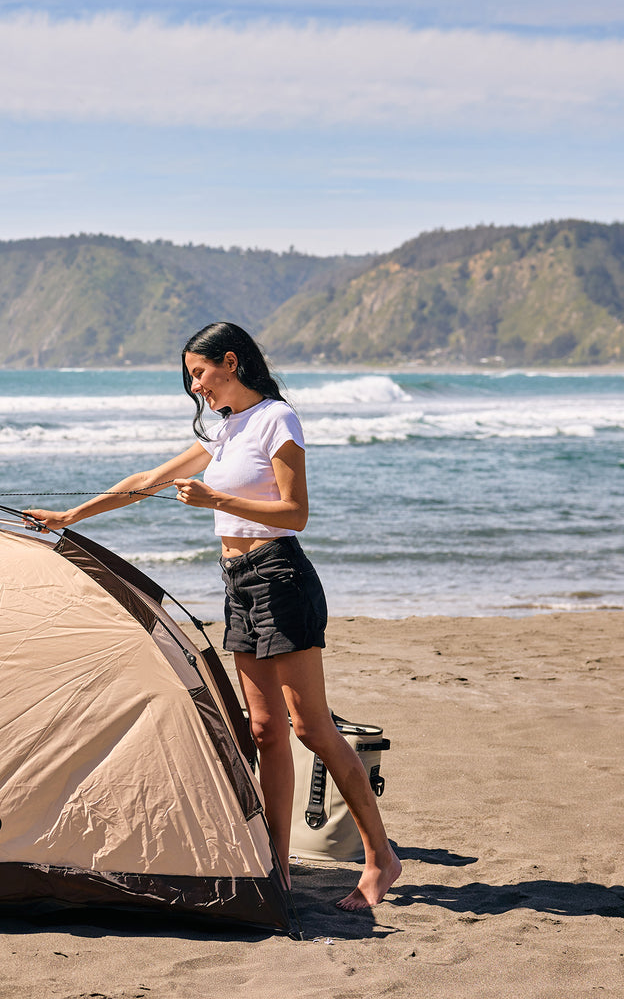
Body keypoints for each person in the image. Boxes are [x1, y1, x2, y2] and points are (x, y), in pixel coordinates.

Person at [25, 321, 401, 911]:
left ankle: (381, 859)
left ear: (231, 362)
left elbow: (295, 513)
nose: (195, 386)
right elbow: (147, 482)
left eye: (199, 373)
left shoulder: (277, 419)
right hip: (238, 584)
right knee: (264, 731)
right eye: (190, 377)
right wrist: (72, 516)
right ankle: (276, 862)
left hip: (280, 576)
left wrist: (215, 499)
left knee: (310, 729)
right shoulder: (227, 430)